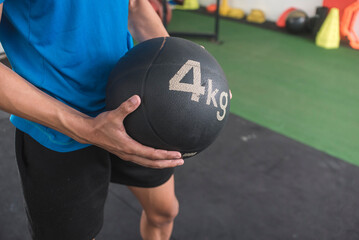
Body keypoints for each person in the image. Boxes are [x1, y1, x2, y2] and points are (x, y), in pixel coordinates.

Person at [0, 0, 184, 240]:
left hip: (129, 105)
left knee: (164, 212)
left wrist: (181, 64)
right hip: (56, 129)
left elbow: (136, 5)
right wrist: (85, 127)